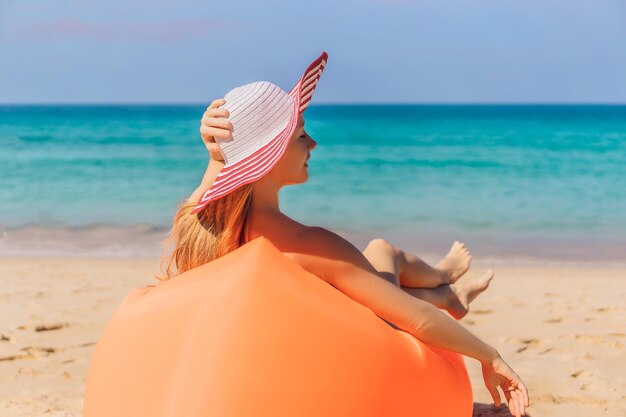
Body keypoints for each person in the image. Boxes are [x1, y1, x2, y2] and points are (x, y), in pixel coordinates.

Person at [157, 53, 529, 417]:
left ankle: (447, 289)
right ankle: (444, 285)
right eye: (301, 135)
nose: (313, 144)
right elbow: (414, 320)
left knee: (378, 269)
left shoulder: (197, 228)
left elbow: (209, 189)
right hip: (366, 363)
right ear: (269, 157)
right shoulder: (309, 245)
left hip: (286, 365)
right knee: (383, 252)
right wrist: (490, 355)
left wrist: (219, 156)